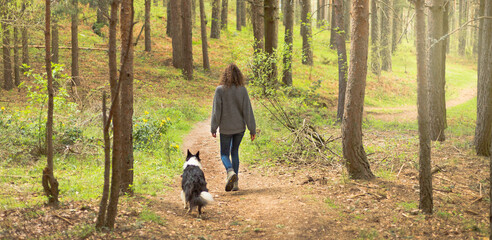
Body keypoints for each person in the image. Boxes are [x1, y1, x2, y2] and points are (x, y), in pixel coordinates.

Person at [211, 63, 256, 192]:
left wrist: (213, 128)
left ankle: (230, 172)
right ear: (239, 76)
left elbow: (216, 112)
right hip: (239, 129)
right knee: (234, 152)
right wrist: (252, 129)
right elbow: (248, 111)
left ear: (225, 76)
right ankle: (235, 183)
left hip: (225, 128)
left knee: (224, 154)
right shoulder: (242, 90)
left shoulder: (220, 90)